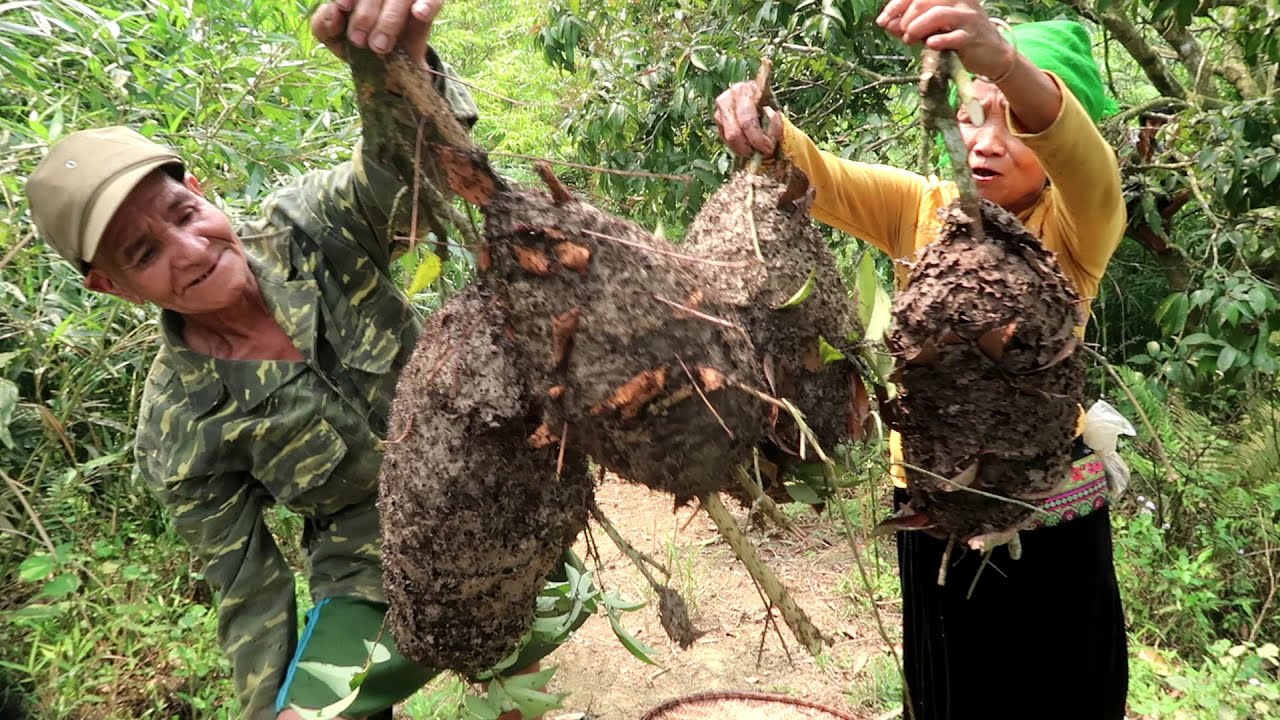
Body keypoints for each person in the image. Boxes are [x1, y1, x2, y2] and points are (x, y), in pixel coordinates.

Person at [24, 2, 576, 719]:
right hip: (371, 563)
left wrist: (389, 72)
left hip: (487, 487)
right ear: (110, 286)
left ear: (201, 194)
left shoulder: (310, 228)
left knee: (526, 618)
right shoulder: (177, 429)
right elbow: (249, 590)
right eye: (143, 252)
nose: (189, 252)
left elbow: (409, 180)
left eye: (183, 216)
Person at [715, 2, 1127, 718]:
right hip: (933, 511)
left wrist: (1001, 63)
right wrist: (769, 130)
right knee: (948, 699)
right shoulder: (926, 209)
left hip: (1048, 522)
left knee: (1061, 699)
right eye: (972, 116)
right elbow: (826, 179)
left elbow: (1084, 163)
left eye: (1011, 122)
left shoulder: (1076, 226)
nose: (986, 141)